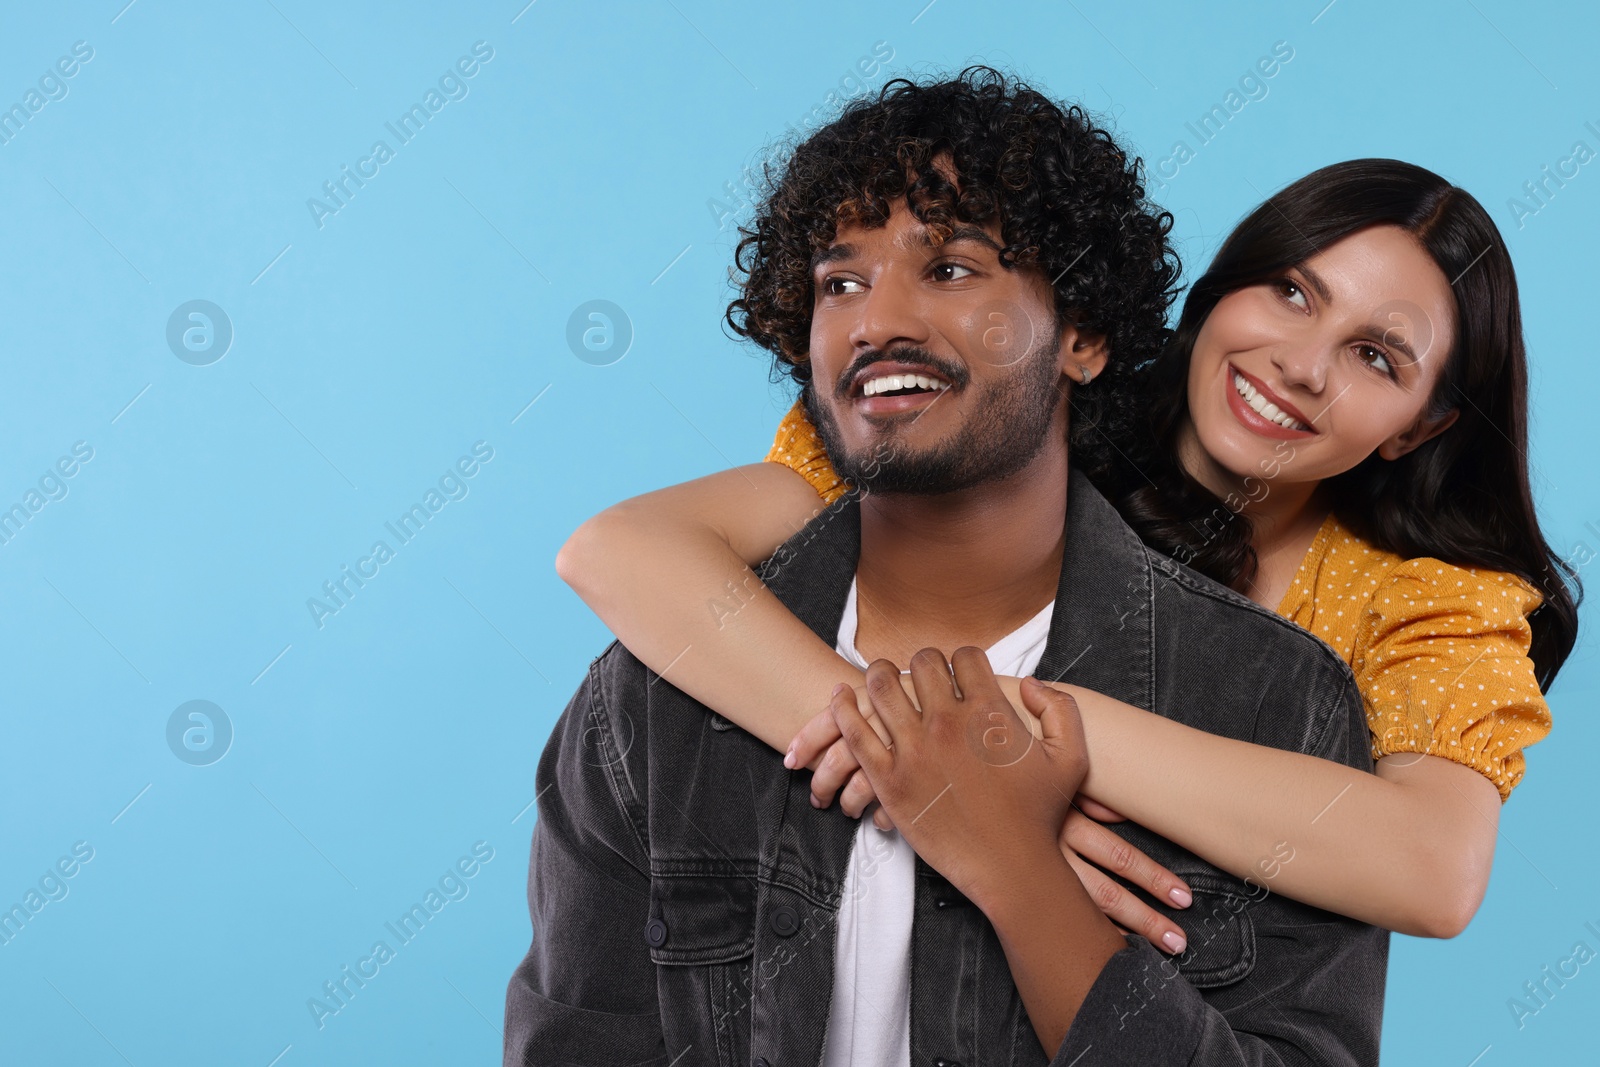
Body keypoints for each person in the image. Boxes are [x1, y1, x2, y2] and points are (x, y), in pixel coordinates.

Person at [506, 67, 1391, 1066]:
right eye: (840, 283)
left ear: (1084, 336)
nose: (877, 320)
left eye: (951, 268)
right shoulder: (653, 704)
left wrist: (1019, 868)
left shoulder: (1266, 701)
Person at [557, 153, 1580, 957]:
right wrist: (920, 761)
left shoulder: (1432, 602)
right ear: (1217, 293)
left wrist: (1029, 733)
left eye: (1374, 355)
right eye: (1289, 293)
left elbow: (1432, 869)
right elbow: (623, 549)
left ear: (1418, 425)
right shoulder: (1019, 404)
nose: (1299, 366)